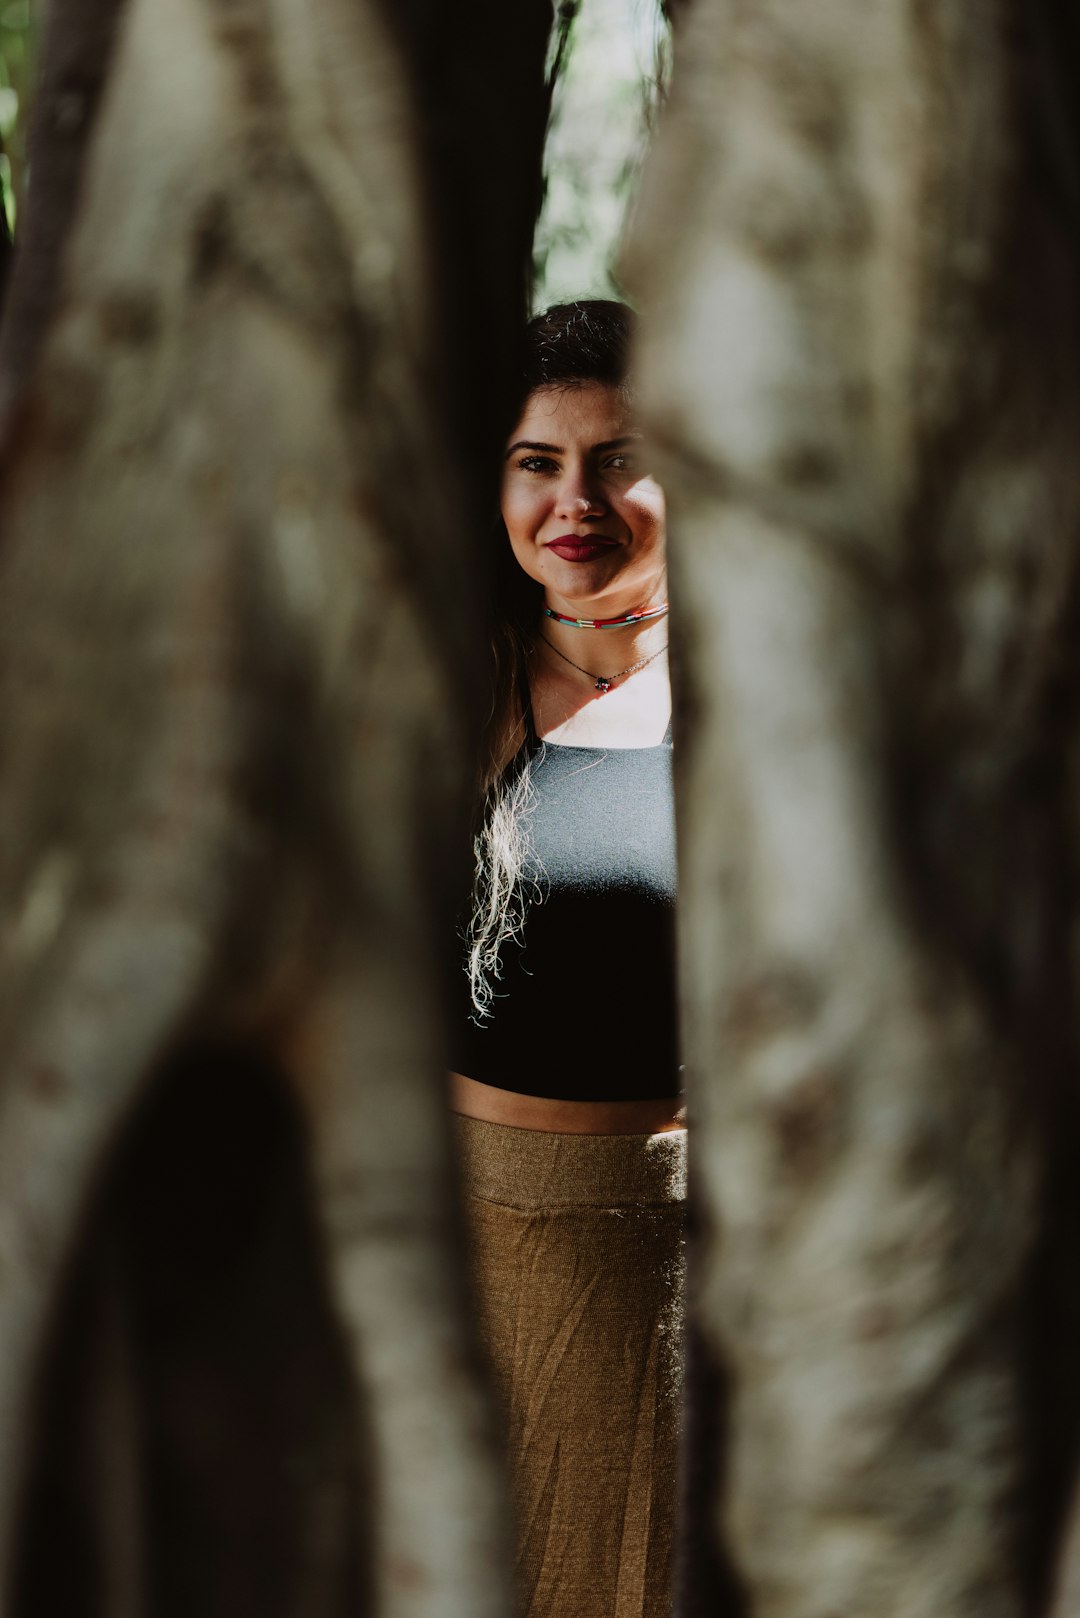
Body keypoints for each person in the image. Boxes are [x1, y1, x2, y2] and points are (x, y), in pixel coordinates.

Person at [449, 300, 685, 1618]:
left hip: (667, 1268)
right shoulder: (447, 682)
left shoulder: (750, 702)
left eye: (617, 458)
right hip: (461, 1252)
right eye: (536, 461)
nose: (573, 500)